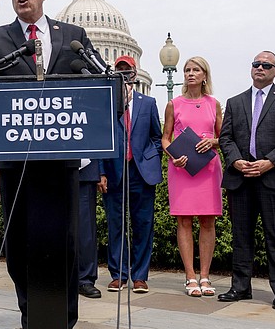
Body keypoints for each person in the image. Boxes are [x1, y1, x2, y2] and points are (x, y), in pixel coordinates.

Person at [0, 0, 101, 329]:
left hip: (61, 160)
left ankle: (65, 319)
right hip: (15, 160)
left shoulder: (73, 34)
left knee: (65, 240)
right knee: (20, 243)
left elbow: (94, 80)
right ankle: (30, 317)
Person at [217, 51, 275, 310]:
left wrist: (270, 162)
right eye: (256, 64)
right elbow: (226, 137)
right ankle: (240, 287)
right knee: (241, 236)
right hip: (240, 178)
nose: (260, 68)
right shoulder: (235, 101)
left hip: (273, 178)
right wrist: (234, 160)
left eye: (266, 65)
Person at [99, 56, 163, 294]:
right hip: (114, 171)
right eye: (120, 70)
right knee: (116, 224)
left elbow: (157, 137)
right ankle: (118, 275)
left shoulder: (148, 103)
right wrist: (101, 172)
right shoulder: (107, 103)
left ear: (135, 74)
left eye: (127, 70)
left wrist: (150, 156)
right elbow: (100, 141)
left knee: (143, 224)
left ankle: (140, 276)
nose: (124, 74)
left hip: (141, 171)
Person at [162, 57, 223, 297]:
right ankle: (190, 277)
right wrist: (173, 155)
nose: (190, 73)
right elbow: (165, 137)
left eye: (196, 70)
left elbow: (224, 136)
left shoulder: (214, 104)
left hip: (208, 168)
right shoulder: (173, 104)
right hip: (181, 168)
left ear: (204, 75)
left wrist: (213, 141)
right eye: (187, 70)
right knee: (184, 221)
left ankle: (205, 276)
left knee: (208, 221)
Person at [77, 160, 102, 298]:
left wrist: (102, 172)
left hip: (85, 168)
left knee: (85, 228)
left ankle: (85, 279)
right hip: (49, 166)